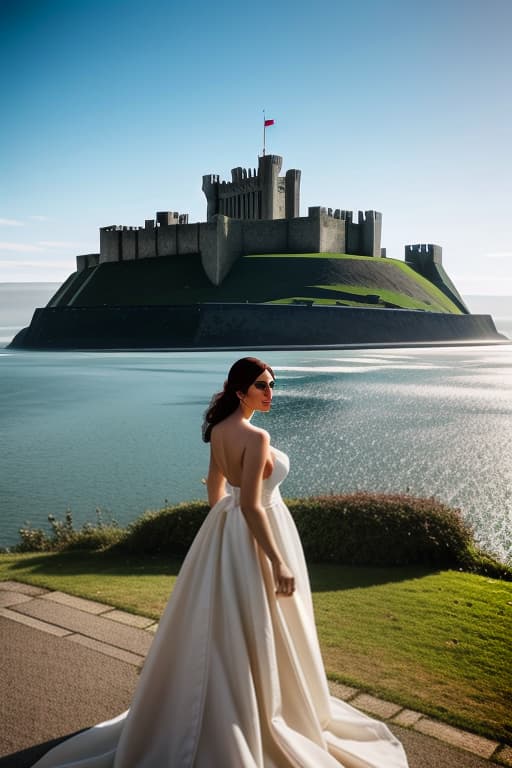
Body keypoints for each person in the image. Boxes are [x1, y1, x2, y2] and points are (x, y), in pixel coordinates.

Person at [32, 357, 409, 768]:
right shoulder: (256, 436)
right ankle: (260, 711)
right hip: (263, 532)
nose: (270, 392)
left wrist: (223, 524)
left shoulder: (219, 431)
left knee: (228, 621)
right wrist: (277, 560)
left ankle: (232, 700)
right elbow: (251, 504)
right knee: (264, 621)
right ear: (239, 391)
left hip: (227, 534)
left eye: (272, 384)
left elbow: (217, 485)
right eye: (262, 386)